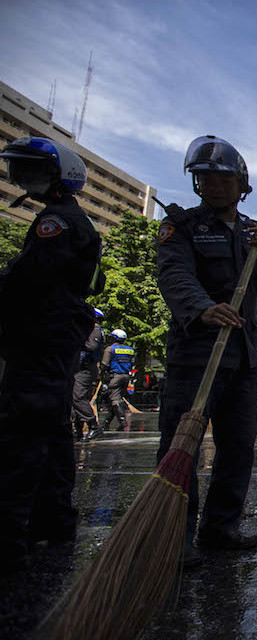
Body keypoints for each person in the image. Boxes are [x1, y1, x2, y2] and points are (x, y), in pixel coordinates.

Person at [157, 135, 257, 562]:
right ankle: (176, 533)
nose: (213, 186)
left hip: (245, 356)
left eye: (222, 179)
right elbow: (173, 274)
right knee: (182, 443)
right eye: (204, 179)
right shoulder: (183, 228)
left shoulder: (254, 231)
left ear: (241, 183)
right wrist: (202, 308)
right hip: (197, 352)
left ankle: (221, 527)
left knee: (238, 446)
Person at [0, 136, 104, 571]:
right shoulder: (63, 219)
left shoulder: (58, 222)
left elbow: (28, 277)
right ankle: (55, 518)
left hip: (43, 334)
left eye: (35, 173)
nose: (26, 180)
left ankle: (8, 531)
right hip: (52, 336)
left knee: (22, 429)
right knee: (53, 427)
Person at [89, 329, 134, 438]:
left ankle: (123, 422)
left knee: (115, 399)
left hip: (115, 376)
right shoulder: (130, 350)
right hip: (126, 376)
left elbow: (104, 364)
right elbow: (132, 363)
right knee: (116, 399)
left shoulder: (110, 349)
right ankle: (106, 423)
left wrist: (101, 375)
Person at [72, 308, 104, 441]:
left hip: (85, 367)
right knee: (73, 396)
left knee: (77, 397)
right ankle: (78, 428)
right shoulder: (90, 329)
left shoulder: (95, 329)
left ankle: (93, 425)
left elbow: (91, 347)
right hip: (81, 367)